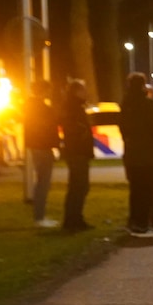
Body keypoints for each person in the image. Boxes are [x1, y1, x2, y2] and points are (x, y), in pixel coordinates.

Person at [118, 72, 153, 237]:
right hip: (149, 155)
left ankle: (134, 222)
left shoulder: (125, 105)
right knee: (149, 190)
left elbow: (123, 128)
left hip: (132, 154)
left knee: (135, 190)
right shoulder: (147, 104)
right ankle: (143, 224)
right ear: (142, 86)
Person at [24, 80, 60, 228]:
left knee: (42, 181)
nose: (50, 92)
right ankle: (40, 217)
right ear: (43, 90)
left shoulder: (30, 106)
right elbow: (47, 127)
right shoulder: (41, 107)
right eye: (48, 89)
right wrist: (54, 144)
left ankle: (40, 216)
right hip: (43, 147)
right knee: (43, 182)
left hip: (37, 146)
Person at [60, 79, 94, 232]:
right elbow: (75, 129)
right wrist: (83, 135)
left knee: (78, 186)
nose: (86, 93)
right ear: (76, 92)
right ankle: (73, 219)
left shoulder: (75, 106)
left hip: (77, 151)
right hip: (77, 152)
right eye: (83, 90)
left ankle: (74, 218)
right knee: (79, 186)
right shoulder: (73, 108)